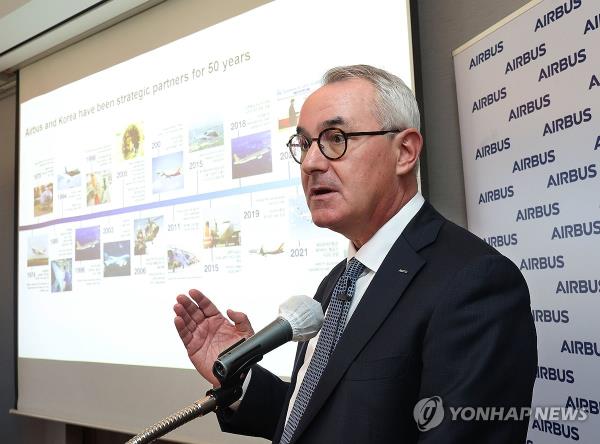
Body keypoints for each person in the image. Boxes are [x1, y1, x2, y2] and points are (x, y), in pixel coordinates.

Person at [173, 64, 537, 443]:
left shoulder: (473, 283)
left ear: (405, 152)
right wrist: (240, 375)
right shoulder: (337, 281)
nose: (312, 163)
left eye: (336, 138)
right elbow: (321, 421)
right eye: (304, 144)